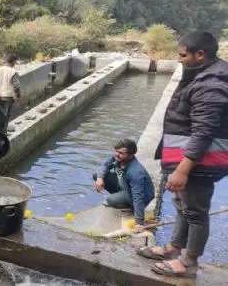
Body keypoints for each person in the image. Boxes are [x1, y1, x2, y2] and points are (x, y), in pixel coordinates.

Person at [136, 31, 228, 278]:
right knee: (182, 206)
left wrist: (182, 169)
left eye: (183, 55)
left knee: (196, 212)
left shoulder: (212, 84)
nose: (180, 59)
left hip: (200, 163)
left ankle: (188, 264)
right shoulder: (202, 73)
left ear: (201, 55)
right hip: (189, 158)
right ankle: (175, 248)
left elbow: (203, 132)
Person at [94, 139, 154, 229]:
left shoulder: (136, 171)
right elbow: (105, 165)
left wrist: (139, 222)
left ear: (131, 155)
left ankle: (127, 205)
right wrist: (99, 178)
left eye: (121, 153)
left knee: (110, 200)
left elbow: (138, 197)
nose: (117, 154)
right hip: (125, 186)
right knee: (97, 175)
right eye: (116, 151)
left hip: (140, 196)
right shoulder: (118, 157)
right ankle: (121, 197)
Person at [0, 54, 21, 132]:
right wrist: (18, 96)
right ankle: (3, 132)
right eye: (15, 62)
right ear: (14, 62)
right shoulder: (13, 72)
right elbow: (16, 86)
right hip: (8, 97)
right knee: (6, 116)